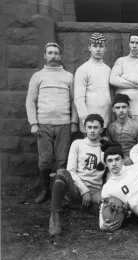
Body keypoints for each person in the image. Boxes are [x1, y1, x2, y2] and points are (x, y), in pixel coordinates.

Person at [26, 42, 78, 204]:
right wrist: (34, 123)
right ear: (45, 55)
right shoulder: (38, 76)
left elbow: (74, 101)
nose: (53, 55)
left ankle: (59, 192)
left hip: (64, 125)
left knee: (62, 160)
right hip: (43, 125)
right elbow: (30, 101)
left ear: (60, 56)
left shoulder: (69, 76)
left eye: (56, 53)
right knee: (45, 160)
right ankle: (45, 190)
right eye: (50, 52)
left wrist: (74, 122)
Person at [49, 114, 107, 236]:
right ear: (84, 128)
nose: (92, 130)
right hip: (77, 189)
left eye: (96, 127)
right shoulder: (78, 143)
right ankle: (54, 217)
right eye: (89, 127)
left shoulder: (106, 146)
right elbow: (71, 170)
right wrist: (84, 191)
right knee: (61, 172)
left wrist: (102, 192)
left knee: (108, 211)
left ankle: (77, 205)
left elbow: (111, 172)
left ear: (101, 129)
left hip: (96, 191)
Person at [110, 29, 138, 132]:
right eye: (132, 42)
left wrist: (124, 76)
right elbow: (113, 79)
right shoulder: (121, 61)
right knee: (121, 136)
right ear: (129, 44)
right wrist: (134, 85)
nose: (134, 45)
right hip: (121, 108)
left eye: (137, 43)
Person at [74, 33, 112, 134]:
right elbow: (78, 99)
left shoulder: (108, 70)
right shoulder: (83, 69)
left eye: (101, 46)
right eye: (95, 46)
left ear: (105, 48)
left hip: (105, 122)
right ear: (89, 48)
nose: (98, 49)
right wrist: (85, 120)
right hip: (89, 124)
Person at [106, 93, 138, 166]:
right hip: (115, 163)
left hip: (134, 163)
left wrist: (132, 160)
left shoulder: (137, 127)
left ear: (129, 108)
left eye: (124, 107)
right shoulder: (110, 127)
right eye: (118, 108)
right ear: (113, 109)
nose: (121, 110)